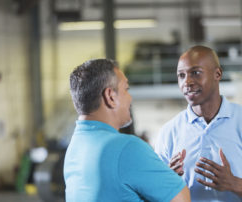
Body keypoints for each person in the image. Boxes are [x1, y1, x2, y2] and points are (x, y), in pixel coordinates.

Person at [155, 46, 242, 202]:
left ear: (218, 74)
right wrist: (166, 184)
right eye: (181, 75)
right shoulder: (168, 131)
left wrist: (235, 184)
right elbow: (154, 195)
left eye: (195, 73)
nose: (187, 82)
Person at [64, 59, 191, 202]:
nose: (130, 98)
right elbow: (182, 200)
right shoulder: (127, 148)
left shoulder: (74, 149)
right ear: (110, 96)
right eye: (126, 89)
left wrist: (157, 180)